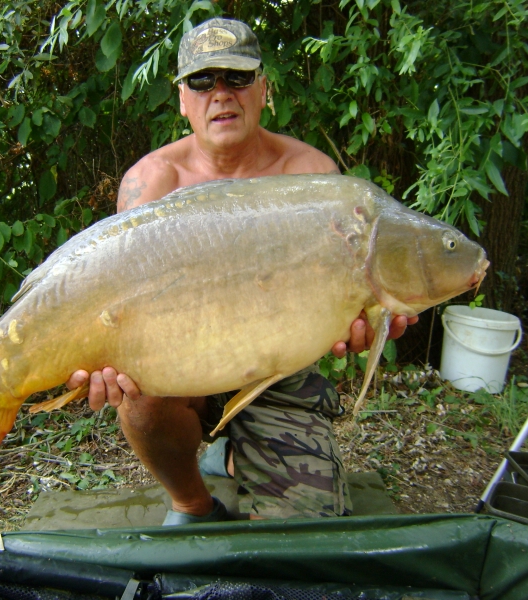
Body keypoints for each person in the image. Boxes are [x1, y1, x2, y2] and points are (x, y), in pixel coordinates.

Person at [66, 18, 416, 524]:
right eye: (203, 81)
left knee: (305, 536)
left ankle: (233, 452)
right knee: (140, 401)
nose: (221, 94)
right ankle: (191, 502)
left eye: (237, 77)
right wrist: (105, 357)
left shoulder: (313, 178)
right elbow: (122, 305)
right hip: (184, 363)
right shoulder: (151, 182)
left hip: (281, 369)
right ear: (183, 99)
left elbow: (344, 301)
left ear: (263, 89)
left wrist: (362, 320)